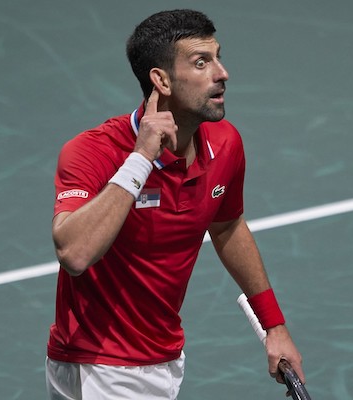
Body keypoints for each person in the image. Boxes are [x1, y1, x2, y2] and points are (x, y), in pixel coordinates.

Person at [45, 9, 305, 399]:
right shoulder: (92, 152)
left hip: (164, 355)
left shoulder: (225, 142)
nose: (222, 73)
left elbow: (227, 226)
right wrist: (141, 157)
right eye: (201, 62)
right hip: (101, 365)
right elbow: (74, 253)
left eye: (218, 56)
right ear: (161, 80)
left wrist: (275, 326)